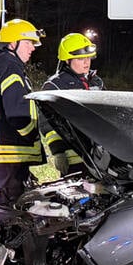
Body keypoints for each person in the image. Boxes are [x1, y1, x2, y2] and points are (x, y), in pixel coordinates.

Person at [0, 19, 46, 207]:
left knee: (10, 204)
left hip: (1, 151)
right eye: (28, 43)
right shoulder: (10, 68)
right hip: (11, 150)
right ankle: (4, 237)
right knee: (14, 209)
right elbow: (17, 112)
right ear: (12, 44)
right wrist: (32, 134)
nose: (33, 48)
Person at [40, 32, 104, 176]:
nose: (86, 62)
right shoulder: (55, 86)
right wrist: (57, 151)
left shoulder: (96, 82)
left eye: (88, 57)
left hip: (101, 159)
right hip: (73, 160)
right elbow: (46, 122)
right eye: (81, 58)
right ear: (67, 60)